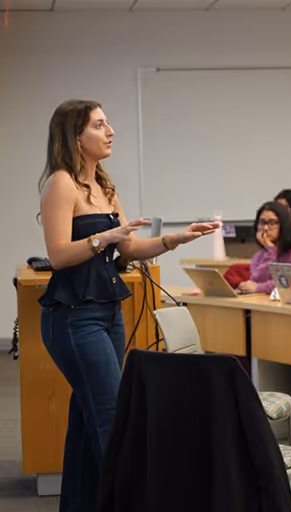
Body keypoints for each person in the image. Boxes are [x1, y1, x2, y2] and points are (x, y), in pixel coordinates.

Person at [38, 99, 218, 512]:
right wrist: (106, 237)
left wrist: (177, 238)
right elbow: (59, 254)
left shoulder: (104, 186)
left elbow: (130, 248)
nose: (110, 130)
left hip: (107, 313)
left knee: (89, 417)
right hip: (72, 318)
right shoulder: (61, 184)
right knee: (111, 414)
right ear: (76, 136)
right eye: (100, 125)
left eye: (108, 123)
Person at [238, 201, 291, 294]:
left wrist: (260, 288)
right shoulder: (260, 255)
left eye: (272, 223)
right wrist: (270, 252)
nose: (265, 228)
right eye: (262, 222)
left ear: (284, 224)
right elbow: (255, 283)